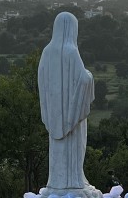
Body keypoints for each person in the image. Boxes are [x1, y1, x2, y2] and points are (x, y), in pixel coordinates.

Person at [38, 12, 95, 190]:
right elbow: (83, 79)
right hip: (72, 113)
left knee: (57, 151)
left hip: (54, 112)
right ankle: (73, 180)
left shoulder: (47, 51)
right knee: (74, 150)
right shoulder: (71, 51)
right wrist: (90, 75)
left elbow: (41, 80)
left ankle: (56, 181)